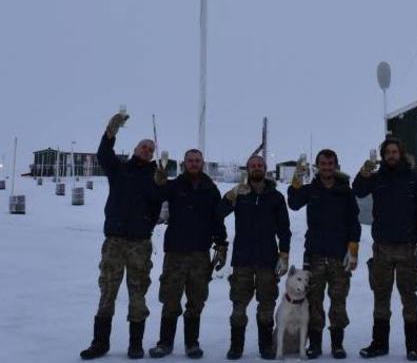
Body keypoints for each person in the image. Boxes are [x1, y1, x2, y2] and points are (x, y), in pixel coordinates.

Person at [80, 112, 162, 360]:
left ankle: (135, 344)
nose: (147, 150)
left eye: (150, 149)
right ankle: (100, 343)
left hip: (140, 243)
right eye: (143, 147)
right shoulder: (120, 169)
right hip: (115, 241)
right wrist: (111, 131)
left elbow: (163, 201)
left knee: (138, 293)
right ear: (135, 149)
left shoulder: (155, 176)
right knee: (107, 291)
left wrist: (163, 184)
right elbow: (104, 155)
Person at [353, 138, 417, 361]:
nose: (391, 155)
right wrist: (363, 172)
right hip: (382, 248)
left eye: (394, 151)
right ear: (383, 156)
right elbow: (358, 191)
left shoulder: (414, 179)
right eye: (387, 152)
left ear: (401, 153)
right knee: (381, 297)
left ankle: (413, 347)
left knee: (409, 297)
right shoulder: (377, 178)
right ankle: (379, 344)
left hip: (408, 248)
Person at [148, 149, 228, 359]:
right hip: (175, 252)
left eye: (197, 161)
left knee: (196, 301)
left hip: (200, 254)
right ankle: (165, 343)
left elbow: (217, 219)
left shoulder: (211, 189)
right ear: (184, 164)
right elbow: (155, 198)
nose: (194, 164)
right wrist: (158, 182)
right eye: (190, 161)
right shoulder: (173, 186)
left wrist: (221, 244)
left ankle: (192, 343)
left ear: (202, 163)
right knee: (170, 299)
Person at [287, 149, 361, 359]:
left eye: (330, 164)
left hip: (339, 255)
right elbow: (293, 203)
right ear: (317, 166)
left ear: (336, 166)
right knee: (314, 301)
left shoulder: (345, 191)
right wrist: (296, 179)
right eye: (323, 164)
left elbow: (354, 222)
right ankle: (315, 345)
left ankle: (337, 344)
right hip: (315, 254)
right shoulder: (311, 189)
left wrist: (353, 249)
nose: (326, 167)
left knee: (338, 300)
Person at [221, 155, 292, 360]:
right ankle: (236, 346)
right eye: (253, 166)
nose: (257, 168)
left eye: (260, 165)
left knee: (267, 304)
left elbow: (284, 229)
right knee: (238, 304)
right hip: (242, 259)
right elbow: (218, 213)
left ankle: (266, 346)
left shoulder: (276, 197)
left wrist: (284, 254)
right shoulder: (240, 194)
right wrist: (231, 195)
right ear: (248, 170)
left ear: (265, 169)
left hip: (267, 260)